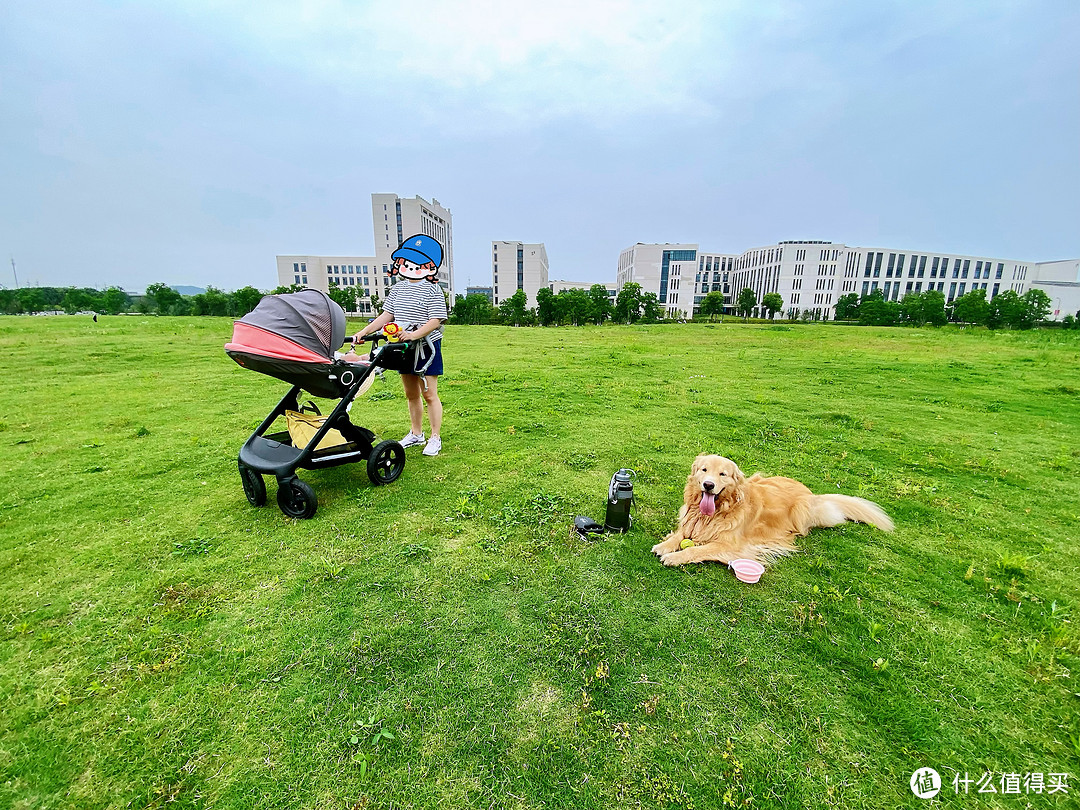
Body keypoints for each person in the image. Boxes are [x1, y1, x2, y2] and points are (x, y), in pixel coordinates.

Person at [353, 234, 448, 456]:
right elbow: (388, 315)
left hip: (426, 348)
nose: (411, 267)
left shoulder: (433, 290)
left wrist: (414, 335)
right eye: (407, 263)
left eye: (417, 264)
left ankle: (435, 437)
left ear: (430, 267)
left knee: (429, 394)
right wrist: (364, 332)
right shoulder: (397, 289)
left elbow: (436, 320)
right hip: (402, 347)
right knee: (411, 393)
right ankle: (416, 434)